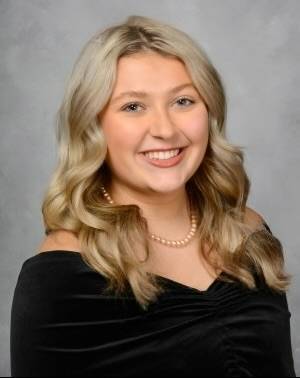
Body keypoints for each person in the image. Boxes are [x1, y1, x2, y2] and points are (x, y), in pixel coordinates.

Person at [10, 15, 296, 377]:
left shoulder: (249, 232)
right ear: (93, 125)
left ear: (209, 112)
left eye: (183, 101)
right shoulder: (60, 278)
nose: (164, 129)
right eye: (133, 106)